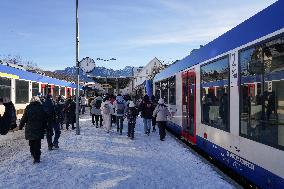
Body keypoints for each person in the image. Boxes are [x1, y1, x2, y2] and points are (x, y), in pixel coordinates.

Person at [19, 96, 46, 164]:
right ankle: (37, 158)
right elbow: (44, 118)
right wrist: (45, 127)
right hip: (39, 127)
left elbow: (24, 118)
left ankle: (33, 154)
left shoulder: (28, 107)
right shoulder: (41, 107)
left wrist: (20, 126)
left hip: (30, 128)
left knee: (31, 142)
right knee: (37, 143)